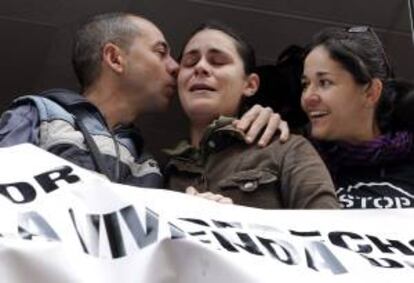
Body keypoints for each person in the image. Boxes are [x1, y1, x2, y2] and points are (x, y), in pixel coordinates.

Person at [0, 12, 286, 188]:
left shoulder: (150, 166)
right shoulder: (37, 116)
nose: (175, 67)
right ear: (115, 58)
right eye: (161, 52)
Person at [164, 22, 339, 209]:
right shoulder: (165, 171)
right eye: (190, 62)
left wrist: (234, 226)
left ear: (250, 85)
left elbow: (330, 231)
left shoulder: (288, 149)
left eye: (218, 62)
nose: (200, 68)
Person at [301, 26, 414, 208]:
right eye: (305, 84)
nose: (308, 97)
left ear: (371, 92)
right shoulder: (297, 162)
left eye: (324, 82)